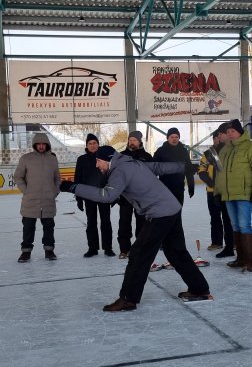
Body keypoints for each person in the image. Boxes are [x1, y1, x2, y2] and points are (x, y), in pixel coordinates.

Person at [59, 146, 210, 312]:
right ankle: (199, 288)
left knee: (139, 255)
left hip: (159, 213)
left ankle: (128, 299)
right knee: (176, 251)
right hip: (170, 208)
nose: (96, 165)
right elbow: (157, 167)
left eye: (98, 161)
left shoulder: (120, 170)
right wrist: (183, 166)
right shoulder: (130, 162)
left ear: (108, 159)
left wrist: (73, 187)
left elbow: (107, 195)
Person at [216, 119, 252, 272]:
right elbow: (219, 173)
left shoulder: (251, 146)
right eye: (228, 131)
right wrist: (218, 192)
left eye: (233, 131)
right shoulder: (224, 150)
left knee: (244, 225)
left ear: (240, 132)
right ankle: (240, 258)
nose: (230, 134)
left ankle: (250, 261)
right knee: (235, 226)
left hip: (244, 193)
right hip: (229, 194)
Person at [14, 133, 61, 262]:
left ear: (47, 145)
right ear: (35, 145)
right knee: (28, 228)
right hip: (30, 201)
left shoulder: (52, 159)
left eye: (43, 144)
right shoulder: (26, 159)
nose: (41, 146)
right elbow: (18, 176)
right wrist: (26, 191)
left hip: (48, 200)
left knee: (49, 227)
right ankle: (26, 252)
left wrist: (55, 191)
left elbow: (57, 178)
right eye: (39, 144)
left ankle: (49, 250)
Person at [197, 123, 234, 258]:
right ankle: (216, 242)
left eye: (219, 137)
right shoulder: (207, 154)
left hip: (226, 191)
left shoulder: (230, 152)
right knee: (215, 217)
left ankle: (232, 243)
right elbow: (201, 171)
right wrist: (213, 183)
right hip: (211, 191)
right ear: (213, 140)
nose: (217, 140)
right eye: (215, 138)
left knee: (228, 218)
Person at [75, 133, 114, 257]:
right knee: (91, 222)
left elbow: (112, 176)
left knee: (106, 222)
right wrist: (79, 198)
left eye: (95, 143)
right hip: (89, 195)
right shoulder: (81, 159)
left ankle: (108, 248)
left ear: (98, 144)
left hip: (104, 195)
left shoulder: (105, 158)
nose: (92, 145)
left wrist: (114, 195)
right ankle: (92, 248)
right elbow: (78, 179)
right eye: (90, 143)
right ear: (87, 145)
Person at [116, 130, 152, 259]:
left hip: (141, 196)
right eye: (130, 140)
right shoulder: (120, 156)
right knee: (124, 223)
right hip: (125, 196)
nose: (132, 142)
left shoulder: (147, 157)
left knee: (142, 223)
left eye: (134, 140)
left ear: (139, 142)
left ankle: (139, 248)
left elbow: (152, 176)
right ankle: (124, 249)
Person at [152, 127, 194, 205]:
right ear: (168, 138)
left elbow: (188, 169)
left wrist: (191, 186)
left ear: (179, 138)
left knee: (177, 212)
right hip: (164, 188)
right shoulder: (160, 151)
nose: (174, 139)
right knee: (166, 213)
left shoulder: (184, 151)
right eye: (172, 137)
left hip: (179, 188)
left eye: (176, 137)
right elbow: (153, 168)